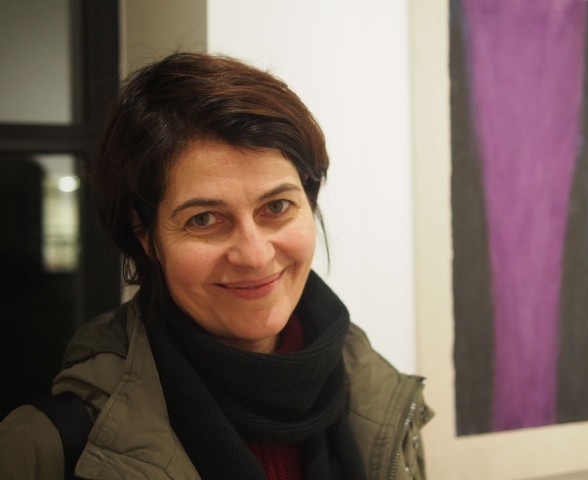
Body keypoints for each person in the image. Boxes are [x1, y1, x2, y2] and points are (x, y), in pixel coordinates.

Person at [0, 52, 431, 480]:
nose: (255, 255)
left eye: (277, 206)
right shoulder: (47, 446)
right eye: (204, 219)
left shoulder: (382, 404)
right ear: (144, 233)